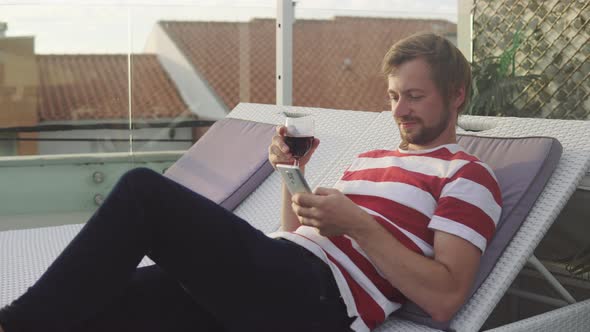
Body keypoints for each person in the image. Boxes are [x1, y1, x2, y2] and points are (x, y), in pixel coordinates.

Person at [0, 32, 501, 332]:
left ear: (456, 96)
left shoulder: (467, 174)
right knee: (100, 300)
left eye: (414, 96)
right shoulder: (371, 156)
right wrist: (290, 175)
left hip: (320, 301)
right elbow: (298, 231)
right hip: (278, 278)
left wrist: (360, 226)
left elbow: (445, 298)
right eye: (393, 96)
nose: (399, 110)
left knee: (142, 193)